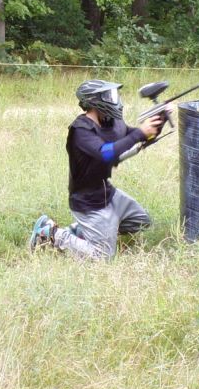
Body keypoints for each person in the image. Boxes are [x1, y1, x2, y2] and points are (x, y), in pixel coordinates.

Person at [28, 79, 170, 259]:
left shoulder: (112, 123)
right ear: (95, 101)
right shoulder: (81, 131)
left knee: (141, 221)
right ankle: (51, 234)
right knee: (103, 256)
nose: (116, 100)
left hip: (107, 193)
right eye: (110, 96)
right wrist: (140, 133)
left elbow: (136, 137)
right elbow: (106, 154)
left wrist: (158, 122)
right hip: (88, 203)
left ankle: (82, 231)